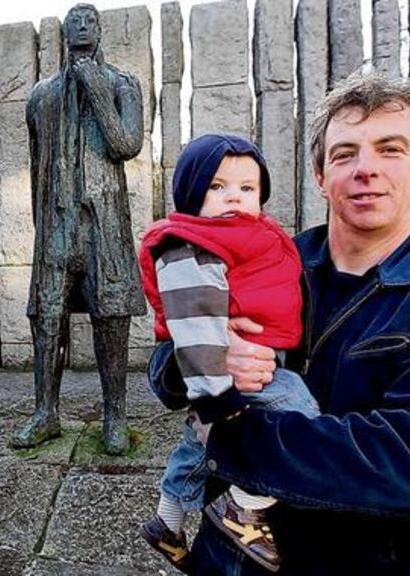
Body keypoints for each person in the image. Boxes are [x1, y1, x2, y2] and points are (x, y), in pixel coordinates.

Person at [156, 72, 410, 575]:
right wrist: (203, 357)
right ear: (320, 175)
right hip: (218, 556)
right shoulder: (265, 262)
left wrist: (226, 439)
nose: (366, 169)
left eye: (390, 149)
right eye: (344, 154)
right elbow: (164, 368)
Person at [136, 134, 320, 573]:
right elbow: (194, 324)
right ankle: (245, 505)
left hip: (249, 361)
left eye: (247, 188)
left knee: (197, 446)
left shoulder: (254, 235)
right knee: (300, 411)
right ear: (190, 195)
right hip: (236, 373)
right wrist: (215, 396)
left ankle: (168, 520)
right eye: (216, 187)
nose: (234, 197)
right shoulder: (189, 243)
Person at [10, 3, 146, 455]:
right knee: (46, 316)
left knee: (112, 316)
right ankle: (45, 413)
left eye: (90, 19)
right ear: (64, 33)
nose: (82, 25)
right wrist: (43, 223)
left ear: (100, 29)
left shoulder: (123, 84)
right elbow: (36, 165)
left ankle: (115, 415)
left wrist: (96, 90)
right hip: (56, 221)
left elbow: (126, 144)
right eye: (74, 20)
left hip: (104, 221)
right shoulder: (42, 96)